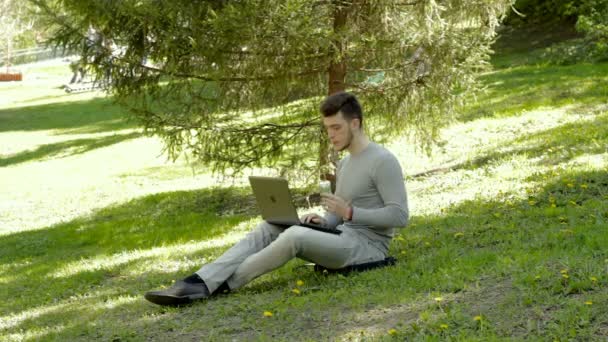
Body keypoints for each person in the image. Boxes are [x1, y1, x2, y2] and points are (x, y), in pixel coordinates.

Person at [144, 91, 409, 306]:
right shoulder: (346, 163)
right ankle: (198, 281)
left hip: (368, 248)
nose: (331, 135)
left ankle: (220, 285)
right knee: (272, 225)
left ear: (356, 123)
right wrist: (323, 220)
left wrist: (351, 213)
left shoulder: (383, 161)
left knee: (295, 236)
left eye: (336, 127)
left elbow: (399, 216)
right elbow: (336, 218)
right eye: (327, 128)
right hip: (342, 237)